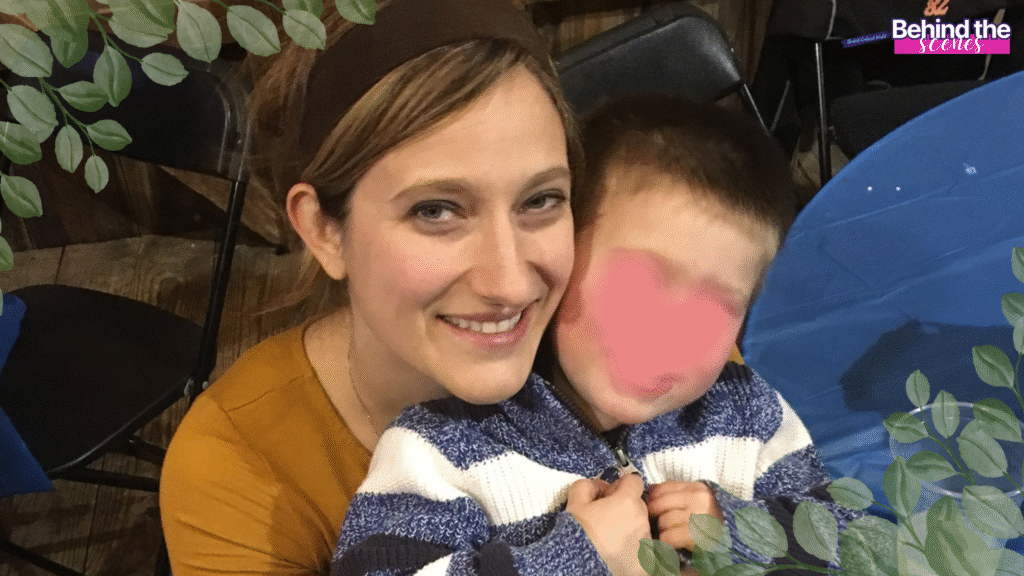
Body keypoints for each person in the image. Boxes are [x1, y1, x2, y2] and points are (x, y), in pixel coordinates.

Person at [332, 96, 862, 576]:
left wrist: (747, 532)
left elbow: (854, 547)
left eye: (713, 306)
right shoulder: (442, 452)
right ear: (563, 254)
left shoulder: (750, 418)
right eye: (640, 283)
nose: (666, 334)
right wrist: (575, 558)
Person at [158, 1, 585, 574]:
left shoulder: (633, 337)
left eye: (540, 200)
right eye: (436, 210)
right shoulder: (240, 464)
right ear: (322, 230)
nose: (509, 283)